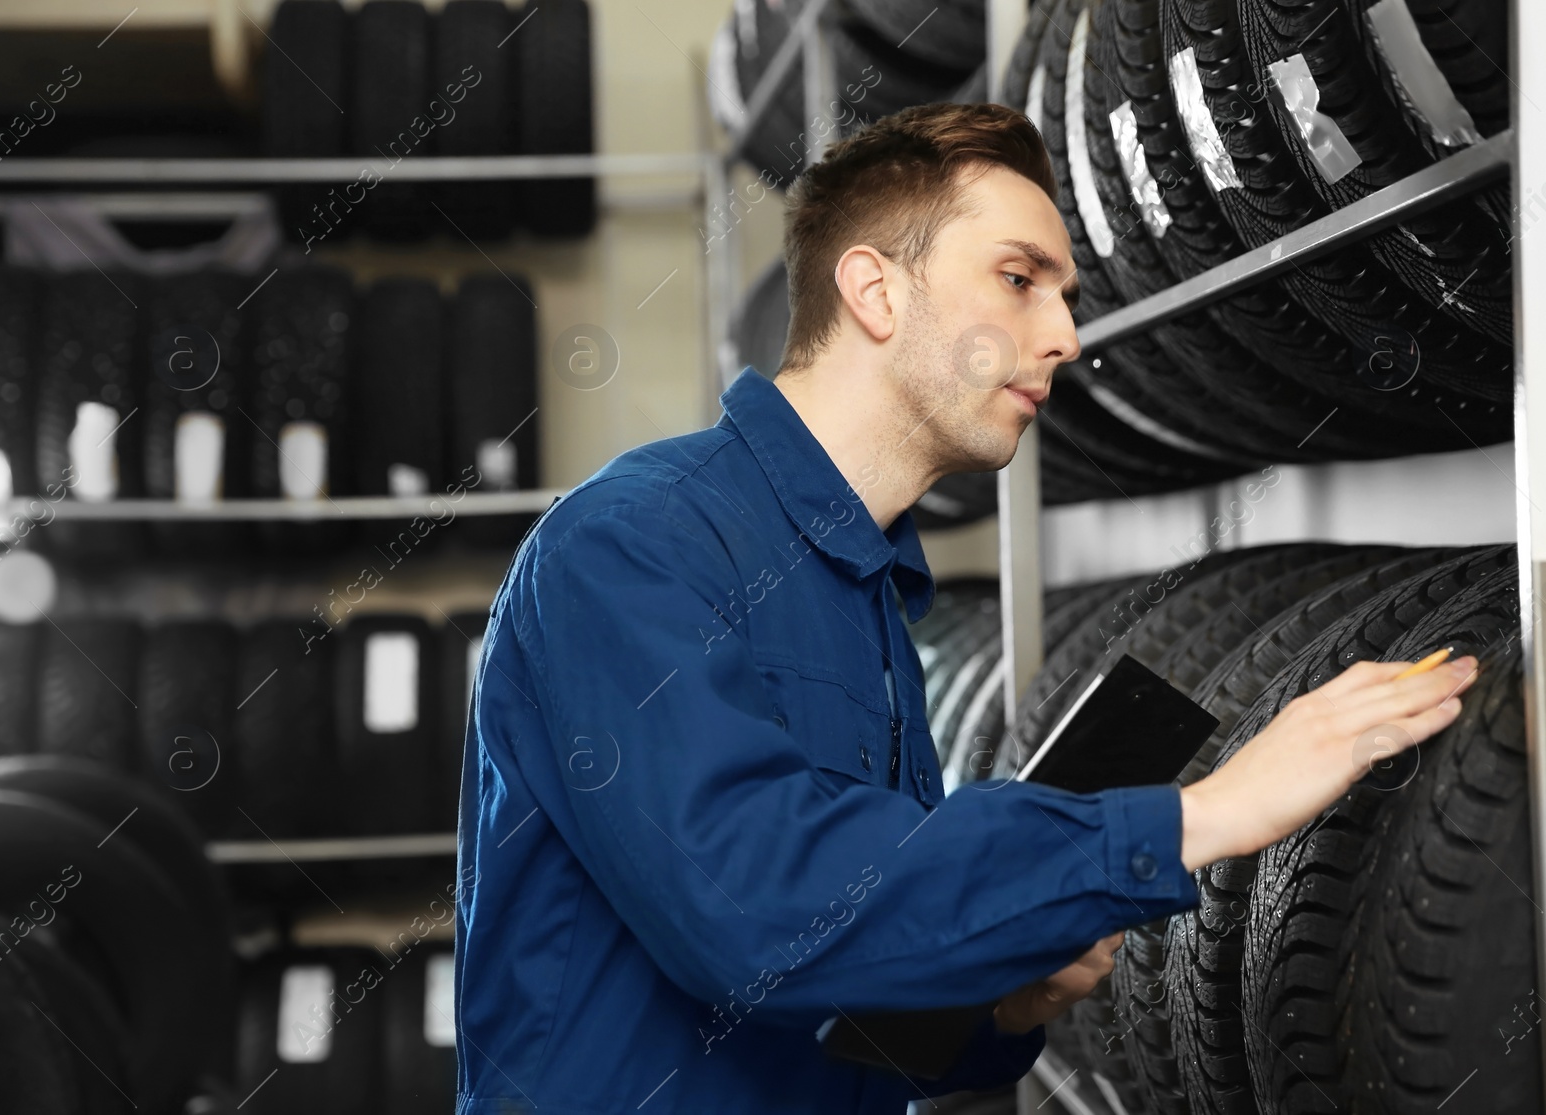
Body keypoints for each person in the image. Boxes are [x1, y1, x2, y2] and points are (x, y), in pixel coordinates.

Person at [450, 102, 1479, 1115]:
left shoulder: (868, 587)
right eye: (1019, 279)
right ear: (874, 293)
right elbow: (757, 913)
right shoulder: (628, 544)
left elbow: (851, 1000)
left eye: (1063, 293)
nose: (1067, 336)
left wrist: (995, 1005)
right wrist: (1199, 815)